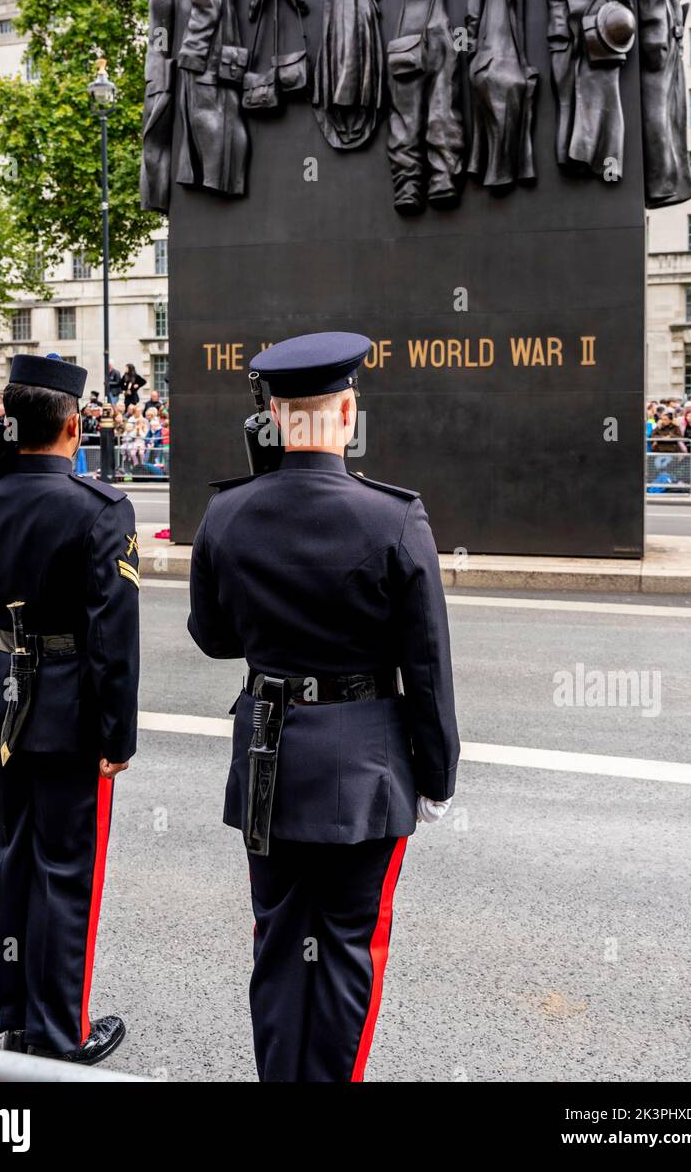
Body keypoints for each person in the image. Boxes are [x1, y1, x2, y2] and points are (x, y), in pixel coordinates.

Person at [188, 331, 459, 1082]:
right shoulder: (393, 516)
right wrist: (436, 776)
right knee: (346, 949)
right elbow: (427, 664)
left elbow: (212, 640)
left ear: (273, 416)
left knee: (277, 941)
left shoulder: (227, 513)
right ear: (346, 410)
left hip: (268, 756)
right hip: (364, 768)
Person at [0, 352, 140, 1065]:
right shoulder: (100, 510)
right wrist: (118, 732)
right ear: (74, 424)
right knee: (64, 868)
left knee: (9, 857)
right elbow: (113, 639)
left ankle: (16, 1017)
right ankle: (60, 1030)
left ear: (15, 423)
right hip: (70, 708)